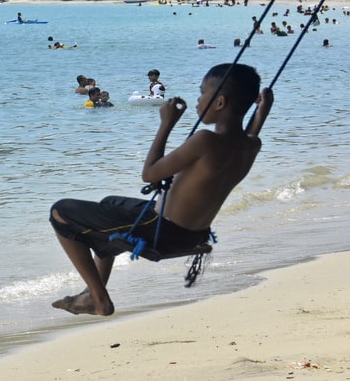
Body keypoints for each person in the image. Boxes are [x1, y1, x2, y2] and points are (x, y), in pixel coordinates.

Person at [49, 63, 274, 316]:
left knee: (60, 212)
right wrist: (261, 113)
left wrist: (166, 124)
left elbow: (150, 173)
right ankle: (93, 290)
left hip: (161, 230)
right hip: (191, 234)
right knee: (109, 203)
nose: (198, 101)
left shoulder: (205, 141)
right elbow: (245, 136)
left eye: (202, 94)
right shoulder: (251, 146)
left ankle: (98, 299)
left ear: (220, 102)